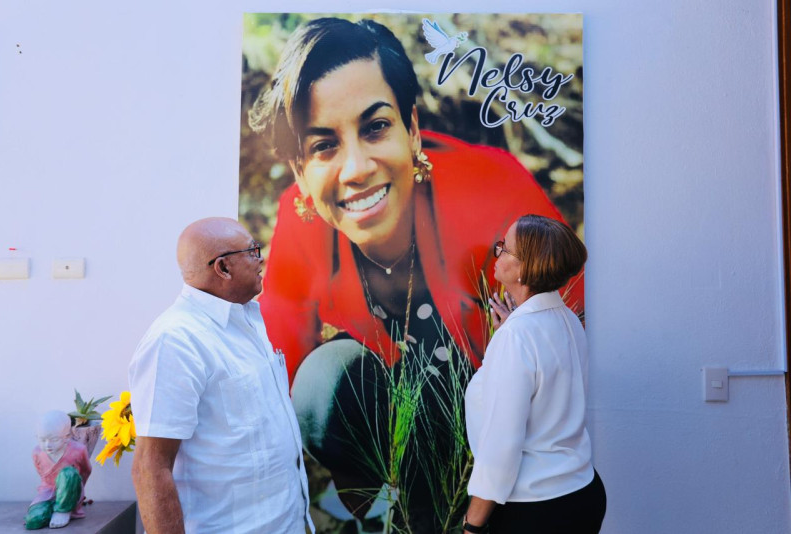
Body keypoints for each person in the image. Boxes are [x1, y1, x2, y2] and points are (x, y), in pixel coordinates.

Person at [248, 17, 584, 531]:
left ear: (412, 128)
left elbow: (575, 309)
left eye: (376, 126)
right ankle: (388, 513)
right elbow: (276, 371)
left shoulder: (490, 185)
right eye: (323, 146)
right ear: (299, 170)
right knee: (323, 382)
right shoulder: (302, 224)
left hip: (503, 432)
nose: (356, 168)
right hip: (398, 436)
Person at [128, 217, 314, 534]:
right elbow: (150, 468)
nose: (261, 258)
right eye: (253, 250)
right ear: (223, 268)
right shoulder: (176, 341)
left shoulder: (248, 319)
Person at [461, 215, 605, 534]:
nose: (496, 252)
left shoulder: (519, 336)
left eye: (505, 248)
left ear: (526, 267)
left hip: (536, 510)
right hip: (582, 493)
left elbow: (501, 448)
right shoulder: (566, 318)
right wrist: (509, 333)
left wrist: (473, 525)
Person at [25, 410, 92, 530]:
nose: (47, 445)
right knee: (33, 520)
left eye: (54, 440)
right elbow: (42, 475)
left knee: (69, 473)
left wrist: (75, 488)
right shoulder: (37, 453)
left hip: (70, 489)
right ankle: (51, 509)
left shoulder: (78, 450)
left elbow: (86, 471)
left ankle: (63, 510)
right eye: (42, 440)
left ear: (67, 437)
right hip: (47, 493)